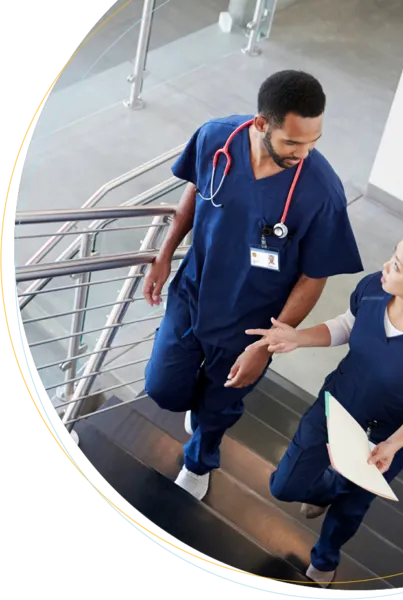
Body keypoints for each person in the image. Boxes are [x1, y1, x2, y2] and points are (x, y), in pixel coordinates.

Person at [142, 70, 363, 501]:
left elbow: (314, 276)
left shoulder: (321, 192)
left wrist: (267, 344)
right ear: (262, 124)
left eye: (314, 141)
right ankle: (198, 406)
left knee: (219, 408)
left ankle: (199, 459)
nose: (304, 153)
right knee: (163, 389)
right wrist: (165, 253)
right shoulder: (215, 139)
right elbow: (195, 192)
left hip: (252, 323)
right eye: (293, 143)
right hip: (193, 294)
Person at [245, 228, 403, 588]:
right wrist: (298, 337)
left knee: (352, 507)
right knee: (284, 485)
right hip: (337, 404)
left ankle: (325, 558)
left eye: (397, 266)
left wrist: (394, 444)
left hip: (386, 438)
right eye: (392, 256)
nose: (385, 266)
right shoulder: (372, 288)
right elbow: (348, 325)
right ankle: (327, 488)